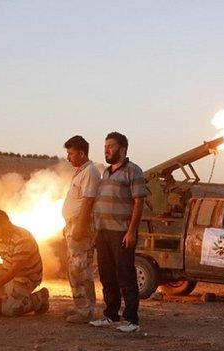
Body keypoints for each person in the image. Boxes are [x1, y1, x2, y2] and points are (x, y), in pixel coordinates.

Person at [89, 132, 146, 333]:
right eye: (105, 146)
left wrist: (131, 232)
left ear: (122, 149)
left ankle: (131, 320)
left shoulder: (133, 171)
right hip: (103, 232)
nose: (106, 150)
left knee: (126, 276)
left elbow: (139, 203)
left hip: (121, 232)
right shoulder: (106, 172)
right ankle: (110, 315)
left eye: (110, 146)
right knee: (107, 276)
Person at [61, 136, 101, 323]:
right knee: (74, 269)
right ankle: (81, 307)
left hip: (81, 227)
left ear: (82, 153)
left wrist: (79, 227)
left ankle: (85, 311)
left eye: (70, 153)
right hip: (73, 226)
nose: (68, 157)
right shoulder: (80, 172)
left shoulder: (90, 172)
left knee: (81, 269)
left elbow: (88, 201)